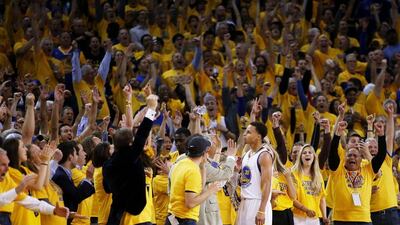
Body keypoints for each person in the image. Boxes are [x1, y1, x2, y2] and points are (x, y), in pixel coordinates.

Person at [103, 94, 158, 225]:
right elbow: (143, 132)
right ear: (130, 143)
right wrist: (151, 109)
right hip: (136, 215)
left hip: (117, 215)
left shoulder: (107, 164)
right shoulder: (130, 155)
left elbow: (107, 189)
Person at [328, 118, 387, 224]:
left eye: (355, 156)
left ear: (361, 159)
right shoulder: (338, 170)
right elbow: (332, 153)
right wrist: (337, 135)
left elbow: (381, 155)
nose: (352, 158)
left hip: (363, 220)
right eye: (349, 155)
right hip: (341, 220)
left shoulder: (368, 169)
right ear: (344, 158)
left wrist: (381, 135)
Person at [0, 148, 69, 225]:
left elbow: (29, 201)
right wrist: (18, 189)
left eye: (7, 164)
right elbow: (38, 186)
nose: (7, 169)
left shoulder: (21, 172)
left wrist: (53, 210)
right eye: (3, 164)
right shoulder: (13, 173)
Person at [166, 134, 222, 225]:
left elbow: (198, 189)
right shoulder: (193, 171)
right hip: (184, 219)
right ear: (204, 153)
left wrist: (203, 167)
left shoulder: (180, 164)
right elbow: (190, 203)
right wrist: (210, 191)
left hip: (173, 217)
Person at [237, 121, 274, 225]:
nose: (245, 134)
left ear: (258, 137)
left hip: (257, 202)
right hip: (244, 201)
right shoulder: (247, 154)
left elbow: (267, 184)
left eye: (248, 132)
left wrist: (261, 210)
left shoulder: (264, 155)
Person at [52, 141, 95, 224]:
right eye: (76, 154)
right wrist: (88, 178)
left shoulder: (64, 173)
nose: (78, 157)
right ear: (70, 157)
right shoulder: (61, 175)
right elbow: (76, 196)